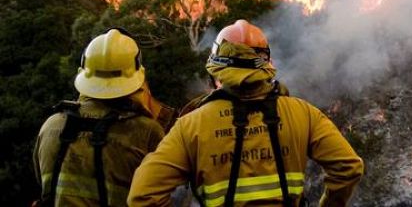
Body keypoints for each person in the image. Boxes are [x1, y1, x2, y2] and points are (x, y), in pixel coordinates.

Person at [128, 19, 364, 207]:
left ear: (216, 71)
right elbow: (349, 167)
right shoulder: (304, 114)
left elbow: (142, 196)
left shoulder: (190, 126)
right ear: (266, 65)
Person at [33, 27, 170, 206]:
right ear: (138, 75)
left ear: (83, 70)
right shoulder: (147, 132)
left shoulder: (52, 125)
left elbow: (42, 184)